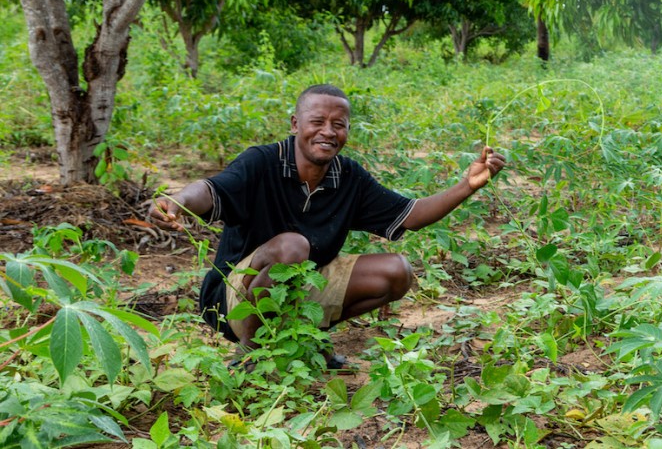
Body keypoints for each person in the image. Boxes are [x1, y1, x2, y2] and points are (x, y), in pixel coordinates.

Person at [150, 84, 505, 366]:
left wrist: (467, 185)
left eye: (339, 124)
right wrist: (177, 202)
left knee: (396, 270)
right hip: (236, 300)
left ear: (348, 129)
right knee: (293, 246)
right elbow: (210, 190)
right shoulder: (261, 162)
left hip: (299, 290)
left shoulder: (348, 176)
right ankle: (251, 354)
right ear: (295, 125)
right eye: (317, 121)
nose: (328, 132)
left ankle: (306, 337)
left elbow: (410, 214)